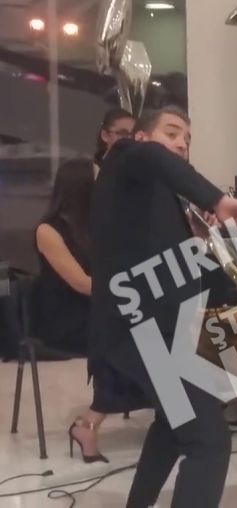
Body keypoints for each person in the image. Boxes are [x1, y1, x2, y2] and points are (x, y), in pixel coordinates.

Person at [91, 105, 237, 507]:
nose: (182, 143)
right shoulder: (127, 156)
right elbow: (152, 156)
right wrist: (217, 198)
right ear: (141, 136)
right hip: (141, 328)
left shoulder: (158, 196)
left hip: (162, 329)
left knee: (172, 423)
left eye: (187, 139)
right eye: (172, 132)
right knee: (209, 442)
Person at [34, 158, 148, 463]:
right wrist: (128, 292)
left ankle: (91, 423)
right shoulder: (48, 231)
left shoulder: (97, 225)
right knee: (125, 338)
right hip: (64, 318)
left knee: (143, 332)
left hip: (98, 310)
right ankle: (168, 411)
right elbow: (81, 283)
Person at [93, 108, 135, 173]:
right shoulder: (91, 172)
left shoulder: (136, 172)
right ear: (105, 135)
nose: (129, 139)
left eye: (133, 134)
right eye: (123, 133)